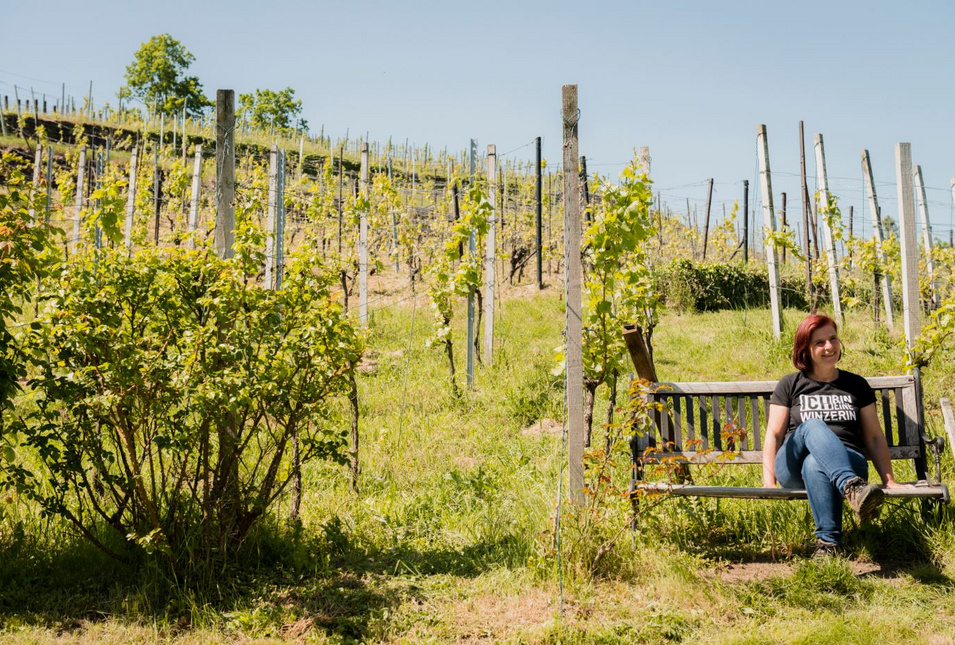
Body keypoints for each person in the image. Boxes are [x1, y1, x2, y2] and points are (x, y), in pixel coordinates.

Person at [762, 314, 910, 557]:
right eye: (819, 343)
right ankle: (852, 489)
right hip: (792, 466)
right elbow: (774, 435)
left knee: (815, 463)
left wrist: (889, 480)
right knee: (812, 426)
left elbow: (873, 436)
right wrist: (769, 482)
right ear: (805, 349)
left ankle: (829, 545)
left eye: (832, 339)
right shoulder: (790, 384)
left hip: (847, 459)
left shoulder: (856, 385)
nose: (829, 347)